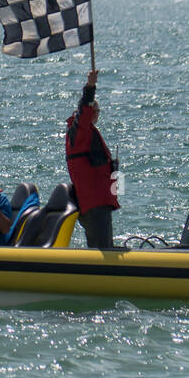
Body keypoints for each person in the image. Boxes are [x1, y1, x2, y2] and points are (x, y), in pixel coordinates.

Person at [65, 68, 119, 249]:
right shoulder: (79, 132)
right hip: (94, 202)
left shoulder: (87, 133)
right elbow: (84, 109)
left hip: (100, 200)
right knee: (102, 248)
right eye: (94, 111)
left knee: (104, 246)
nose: (96, 114)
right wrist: (90, 85)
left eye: (98, 111)